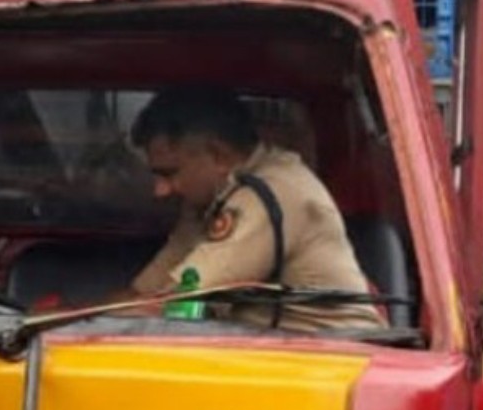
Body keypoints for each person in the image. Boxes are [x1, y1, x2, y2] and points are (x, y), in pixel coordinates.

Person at [120, 87, 384, 332]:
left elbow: (179, 305)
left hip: (334, 361)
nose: (160, 190)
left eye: (169, 173)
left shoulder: (271, 193)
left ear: (219, 155)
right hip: (270, 353)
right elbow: (145, 292)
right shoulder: (208, 199)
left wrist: (85, 327)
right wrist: (83, 317)